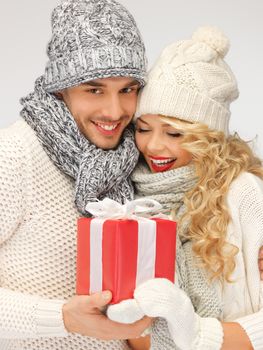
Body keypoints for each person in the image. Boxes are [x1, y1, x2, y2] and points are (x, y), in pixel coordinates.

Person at [0, 0, 152, 349]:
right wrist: (63, 319)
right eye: (94, 89)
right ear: (59, 89)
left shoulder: (133, 157)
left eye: (128, 89)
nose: (115, 111)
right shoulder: (14, 155)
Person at [108, 26, 263, 349]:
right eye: (143, 128)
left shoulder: (243, 193)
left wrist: (198, 335)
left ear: (208, 135)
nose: (152, 146)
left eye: (174, 134)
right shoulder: (131, 200)